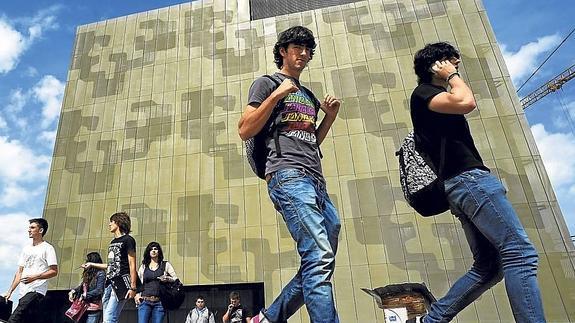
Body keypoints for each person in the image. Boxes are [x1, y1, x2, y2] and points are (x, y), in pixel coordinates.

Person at [409, 42, 546, 323]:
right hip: (469, 181)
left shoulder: (433, 96)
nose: (457, 62)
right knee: (520, 253)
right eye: (449, 59)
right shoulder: (424, 92)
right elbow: (466, 103)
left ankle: (431, 320)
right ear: (434, 65)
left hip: (462, 186)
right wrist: (450, 77)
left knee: (489, 266)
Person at [238, 25, 342, 323]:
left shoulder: (307, 95)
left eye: (309, 50)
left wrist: (329, 118)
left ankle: (269, 318)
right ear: (283, 51)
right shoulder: (266, 83)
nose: (305, 54)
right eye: (299, 48)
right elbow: (245, 128)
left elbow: (311, 140)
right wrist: (277, 94)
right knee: (319, 256)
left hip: (316, 180)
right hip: (287, 176)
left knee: (319, 258)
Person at [82, 212, 138, 323]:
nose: (109, 224)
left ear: (119, 223)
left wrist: (133, 287)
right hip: (109, 284)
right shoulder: (112, 242)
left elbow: (132, 263)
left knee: (109, 318)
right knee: (108, 318)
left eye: (112, 222)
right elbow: (111, 265)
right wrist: (92, 264)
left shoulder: (128, 240)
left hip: (121, 282)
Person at [2, 218, 58, 323]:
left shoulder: (48, 248)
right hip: (23, 292)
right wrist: (10, 291)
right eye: (29, 228)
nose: (29, 230)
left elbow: (54, 271)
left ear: (40, 230)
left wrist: (35, 277)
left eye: (32, 227)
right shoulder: (26, 249)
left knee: (14, 318)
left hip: (36, 291)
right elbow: (19, 272)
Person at [135, 242, 178, 323]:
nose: (153, 251)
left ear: (159, 251)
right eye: (151, 249)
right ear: (148, 252)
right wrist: (137, 296)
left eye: (155, 249)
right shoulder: (144, 266)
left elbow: (175, 279)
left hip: (160, 302)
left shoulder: (165, 265)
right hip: (145, 301)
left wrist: (167, 278)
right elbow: (139, 282)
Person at [69, 252, 106, 323]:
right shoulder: (89, 274)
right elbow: (83, 285)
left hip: (94, 306)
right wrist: (73, 291)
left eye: (87, 260)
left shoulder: (101, 273)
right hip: (83, 306)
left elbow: (99, 290)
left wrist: (85, 295)